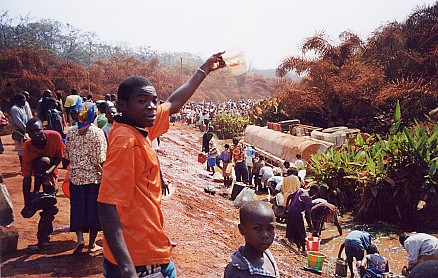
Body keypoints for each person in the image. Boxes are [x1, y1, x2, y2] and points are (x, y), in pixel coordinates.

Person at [97, 52, 225, 277]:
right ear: (122, 105)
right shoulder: (126, 142)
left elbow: (173, 103)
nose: (151, 107)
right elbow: (106, 205)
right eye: (141, 101)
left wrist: (204, 69)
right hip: (139, 259)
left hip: (149, 250)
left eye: (153, 101)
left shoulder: (139, 128)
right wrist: (127, 268)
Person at [65, 102, 107, 254]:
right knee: (93, 210)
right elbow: (101, 158)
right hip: (94, 178)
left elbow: (67, 155)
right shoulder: (97, 133)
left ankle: (80, 239)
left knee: (78, 208)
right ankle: (92, 244)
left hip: (76, 177)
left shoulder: (71, 132)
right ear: (93, 115)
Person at [20, 118, 64, 253]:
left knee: (49, 205)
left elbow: (59, 158)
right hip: (37, 173)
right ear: (27, 133)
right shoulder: (28, 146)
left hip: (50, 172)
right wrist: (27, 201)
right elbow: (26, 177)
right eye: (31, 131)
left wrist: (48, 171)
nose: (36, 134)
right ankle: (36, 199)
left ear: (43, 129)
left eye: (38, 130)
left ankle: (43, 238)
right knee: (42, 161)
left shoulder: (55, 137)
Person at [224, 201, 279, 278]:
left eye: (270, 228)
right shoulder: (237, 272)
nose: (265, 235)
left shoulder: (267, 255)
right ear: (242, 230)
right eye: (257, 228)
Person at [285, 187, 313, 252]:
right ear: (314, 192)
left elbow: (289, 196)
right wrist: (310, 225)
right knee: (301, 230)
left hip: (290, 211)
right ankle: (303, 248)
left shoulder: (300, 190)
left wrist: (287, 205)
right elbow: (307, 214)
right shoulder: (308, 199)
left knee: (291, 227)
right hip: (297, 213)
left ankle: (292, 242)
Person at [10, 93, 32, 165]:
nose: (24, 102)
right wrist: (27, 129)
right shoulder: (14, 109)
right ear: (17, 101)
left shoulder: (22, 108)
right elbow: (18, 122)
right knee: (21, 151)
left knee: (27, 150)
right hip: (19, 132)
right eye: (22, 101)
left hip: (25, 132)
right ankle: (23, 167)